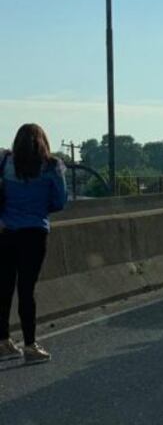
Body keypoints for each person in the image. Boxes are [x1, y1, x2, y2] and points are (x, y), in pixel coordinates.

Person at [0, 124, 68, 365]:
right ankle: (30, 345)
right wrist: (38, 208)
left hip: (6, 232)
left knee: (4, 288)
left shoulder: (5, 161)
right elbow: (60, 201)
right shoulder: (52, 166)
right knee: (27, 290)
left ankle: (4, 342)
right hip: (35, 233)